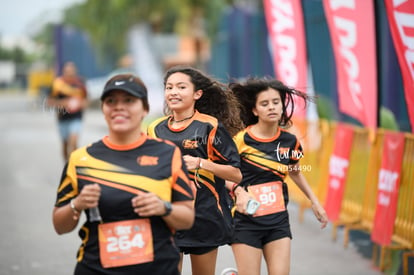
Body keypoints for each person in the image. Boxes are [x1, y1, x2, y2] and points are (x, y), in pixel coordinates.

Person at [52, 74, 195, 275]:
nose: (119, 107)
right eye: (111, 101)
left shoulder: (168, 154)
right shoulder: (80, 159)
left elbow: (187, 218)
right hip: (96, 268)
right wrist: (78, 204)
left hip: (158, 268)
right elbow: (60, 225)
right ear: (103, 109)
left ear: (144, 108)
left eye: (129, 100)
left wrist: (164, 208)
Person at [147, 65, 244, 275]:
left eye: (181, 87)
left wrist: (200, 163)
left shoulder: (210, 126)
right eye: (169, 87)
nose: (173, 92)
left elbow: (235, 173)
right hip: (168, 216)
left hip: (204, 217)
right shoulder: (154, 128)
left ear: (197, 94)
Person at [228, 77, 328, 275]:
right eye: (264, 104)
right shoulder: (241, 140)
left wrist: (315, 202)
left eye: (276, 102)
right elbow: (224, 175)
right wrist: (238, 191)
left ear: (282, 106)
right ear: (255, 110)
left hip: (277, 221)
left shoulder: (290, 142)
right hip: (245, 220)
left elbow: (295, 172)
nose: (272, 107)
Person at [47, 61, 88, 161]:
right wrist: (64, 103)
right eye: (67, 71)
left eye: (71, 71)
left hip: (76, 117)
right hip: (62, 118)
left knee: (73, 142)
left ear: (75, 71)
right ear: (63, 71)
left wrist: (81, 104)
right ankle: (66, 164)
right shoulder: (57, 84)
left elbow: (86, 99)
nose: (70, 73)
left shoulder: (80, 83)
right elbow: (49, 102)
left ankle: (74, 165)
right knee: (65, 144)